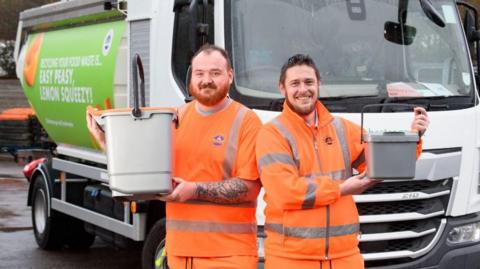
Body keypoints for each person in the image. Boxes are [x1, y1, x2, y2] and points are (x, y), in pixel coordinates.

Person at [87, 44, 262, 269]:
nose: (206, 80)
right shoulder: (173, 119)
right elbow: (145, 170)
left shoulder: (246, 121)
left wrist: (195, 190)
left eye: (215, 73)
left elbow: (249, 188)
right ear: (191, 78)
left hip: (228, 256)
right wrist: (106, 143)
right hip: (180, 255)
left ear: (230, 76)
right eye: (200, 73)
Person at [255, 54, 429, 269]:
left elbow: (384, 164)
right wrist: (341, 189)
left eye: (309, 82)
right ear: (282, 88)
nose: (303, 89)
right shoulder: (272, 134)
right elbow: (285, 192)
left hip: (345, 258)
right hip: (291, 260)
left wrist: (415, 136)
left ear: (319, 84)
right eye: (295, 83)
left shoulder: (342, 129)